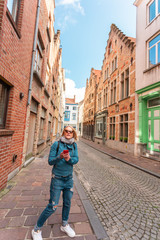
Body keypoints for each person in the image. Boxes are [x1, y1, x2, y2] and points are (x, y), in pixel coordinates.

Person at [32, 126, 79, 240]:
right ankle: (36, 229)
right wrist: (60, 157)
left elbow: (76, 159)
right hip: (57, 179)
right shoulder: (56, 144)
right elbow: (50, 161)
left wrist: (69, 159)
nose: (68, 133)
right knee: (53, 206)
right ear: (64, 132)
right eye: (67, 131)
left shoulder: (74, 145)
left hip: (68, 179)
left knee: (67, 203)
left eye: (71, 131)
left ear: (73, 134)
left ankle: (64, 225)